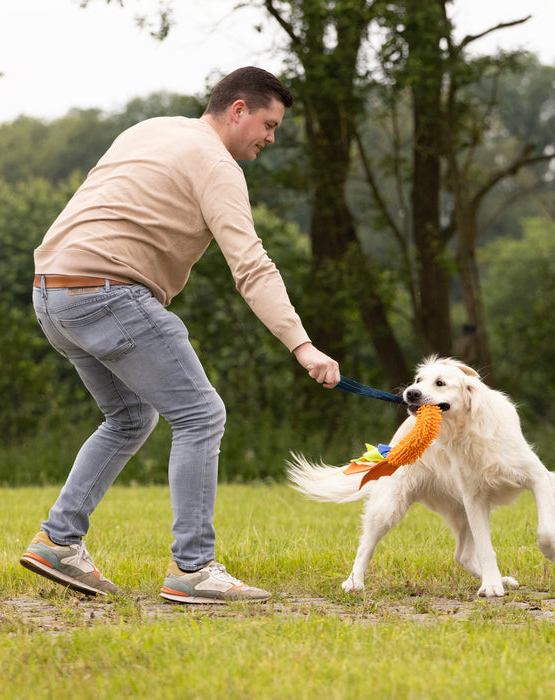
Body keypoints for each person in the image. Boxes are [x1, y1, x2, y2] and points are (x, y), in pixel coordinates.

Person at [20, 66, 340, 604]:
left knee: (129, 417)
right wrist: (301, 345)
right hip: (109, 291)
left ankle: (58, 541)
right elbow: (252, 267)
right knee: (201, 414)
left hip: (52, 293)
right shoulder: (216, 164)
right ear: (237, 109)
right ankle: (193, 568)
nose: (270, 137)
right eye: (268, 123)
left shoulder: (150, 129)